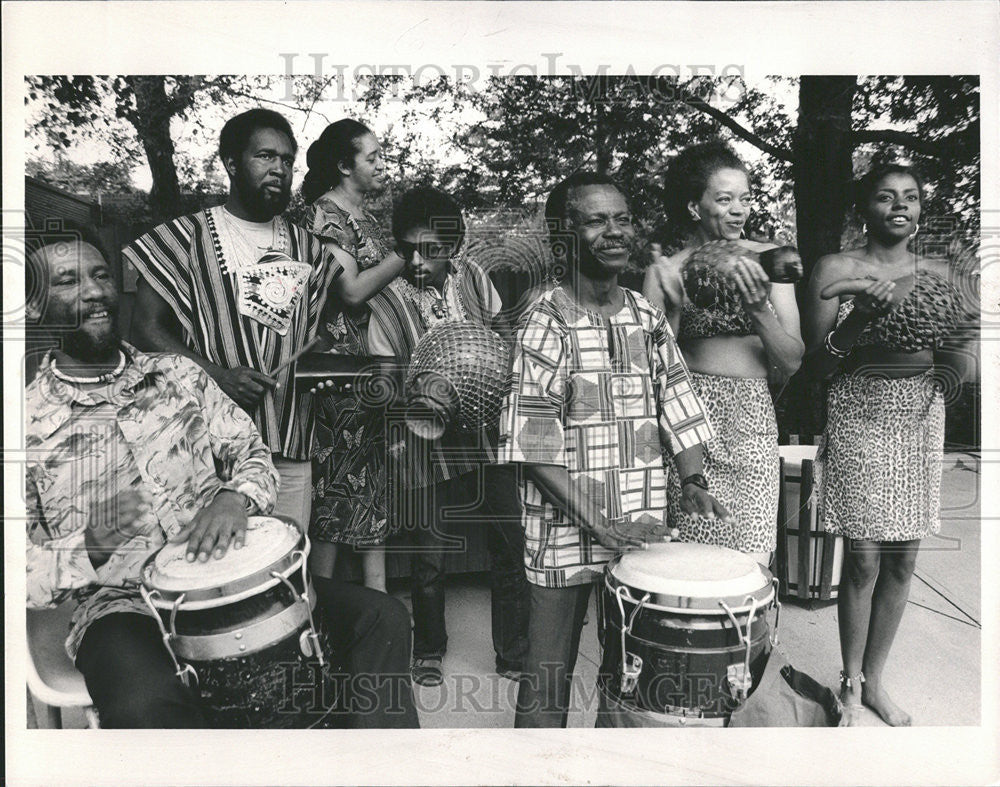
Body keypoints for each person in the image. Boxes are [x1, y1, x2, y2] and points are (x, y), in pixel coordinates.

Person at [24, 230, 419, 729]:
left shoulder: (178, 376)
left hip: (234, 580)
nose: (94, 291)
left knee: (379, 618)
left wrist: (235, 498)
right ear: (35, 308)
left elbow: (251, 453)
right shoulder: (25, 424)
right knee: (146, 705)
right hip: (122, 607)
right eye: (67, 281)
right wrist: (93, 545)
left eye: (101, 274)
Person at [498, 171, 729, 728]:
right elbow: (533, 445)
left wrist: (692, 479)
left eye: (622, 218)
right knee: (548, 673)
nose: (615, 231)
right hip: (563, 528)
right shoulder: (546, 321)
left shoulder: (645, 317)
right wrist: (597, 523)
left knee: (629, 671)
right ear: (564, 237)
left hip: (639, 523)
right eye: (597, 220)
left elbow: (676, 397)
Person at [802, 163, 977, 726]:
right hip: (859, 411)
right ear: (864, 209)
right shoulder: (837, 268)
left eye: (911, 197)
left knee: (904, 561)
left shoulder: (942, 274)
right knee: (862, 562)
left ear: (921, 208)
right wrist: (861, 321)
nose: (900, 206)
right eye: (885, 196)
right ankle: (849, 686)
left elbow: (961, 368)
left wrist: (961, 334)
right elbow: (817, 364)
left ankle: (876, 680)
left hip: (918, 416)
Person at [124, 108, 335, 532]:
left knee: (286, 572)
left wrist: (325, 371)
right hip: (209, 453)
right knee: (215, 576)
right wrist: (218, 375)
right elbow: (144, 330)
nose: (279, 168)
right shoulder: (182, 238)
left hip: (291, 448)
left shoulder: (311, 250)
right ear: (232, 163)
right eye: (265, 156)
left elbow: (316, 336)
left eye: (287, 160)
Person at [366, 186, 529, 687]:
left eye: (432, 250)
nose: (419, 261)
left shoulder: (475, 279)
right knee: (429, 556)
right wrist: (415, 395)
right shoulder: (387, 300)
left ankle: (514, 653)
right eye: (410, 249)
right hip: (423, 438)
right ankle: (430, 650)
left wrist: (493, 373)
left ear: (453, 248)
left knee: (510, 545)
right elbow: (385, 377)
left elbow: (505, 337)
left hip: (487, 431)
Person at [643, 140, 804, 566]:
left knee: (751, 564)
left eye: (745, 198)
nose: (739, 210)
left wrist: (757, 310)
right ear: (695, 207)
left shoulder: (771, 263)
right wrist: (675, 312)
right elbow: (652, 371)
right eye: (724, 199)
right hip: (689, 423)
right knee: (692, 563)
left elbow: (791, 359)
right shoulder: (666, 271)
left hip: (752, 420)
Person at [300, 119, 406, 586]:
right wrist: (406, 252)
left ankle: (378, 612)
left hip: (372, 374)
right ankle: (324, 619)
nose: (383, 165)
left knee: (371, 496)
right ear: (345, 166)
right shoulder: (326, 216)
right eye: (373, 157)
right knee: (335, 496)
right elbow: (352, 291)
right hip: (339, 377)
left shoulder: (364, 219)